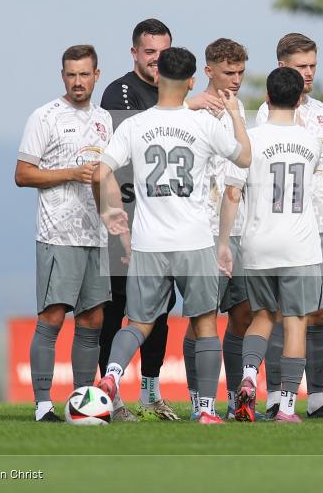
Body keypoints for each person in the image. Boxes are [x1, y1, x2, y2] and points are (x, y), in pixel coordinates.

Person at [94, 47, 251, 425]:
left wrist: (111, 213)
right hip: (194, 239)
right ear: (192, 82)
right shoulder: (202, 123)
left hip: (149, 241)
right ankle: (206, 410)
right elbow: (244, 158)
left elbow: (101, 171)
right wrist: (232, 114)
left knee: (138, 324)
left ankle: (112, 377)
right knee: (205, 325)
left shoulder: (135, 124)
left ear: (159, 77)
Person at [218, 67, 322, 423]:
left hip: (257, 242)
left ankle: (249, 374)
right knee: (295, 323)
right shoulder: (312, 142)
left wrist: (223, 242)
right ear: (298, 100)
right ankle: (288, 408)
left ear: (266, 97)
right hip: (299, 245)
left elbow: (232, 193)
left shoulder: (250, 139)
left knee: (261, 317)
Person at [15, 45, 113, 422]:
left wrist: (115, 221)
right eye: (71, 75)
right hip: (58, 234)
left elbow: (108, 177)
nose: (77, 82)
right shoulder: (46, 116)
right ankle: (42, 405)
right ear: (62, 76)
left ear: (96, 75)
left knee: (92, 321)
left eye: (84, 74)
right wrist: (71, 173)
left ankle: (83, 403)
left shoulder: (105, 119)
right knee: (53, 317)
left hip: (97, 237)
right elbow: (23, 174)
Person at [256, 33, 323, 420]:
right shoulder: (268, 113)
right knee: (285, 313)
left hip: (322, 226)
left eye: (313, 65)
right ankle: (279, 396)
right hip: (286, 228)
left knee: (321, 313)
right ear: (283, 67)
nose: (308, 73)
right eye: (301, 66)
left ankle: (316, 398)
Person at [97, 18, 180, 420]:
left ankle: (151, 391)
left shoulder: (175, 93)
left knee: (159, 311)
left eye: (164, 52)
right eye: (150, 53)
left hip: (164, 222)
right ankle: (110, 397)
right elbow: (130, 156)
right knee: (116, 308)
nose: (157, 60)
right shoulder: (120, 91)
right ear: (134, 53)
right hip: (125, 217)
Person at [183, 38, 254, 420]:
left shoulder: (237, 106)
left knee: (242, 314)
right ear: (208, 71)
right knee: (202, 316)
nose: (236, 79)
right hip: (203, 228)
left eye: (241, 72)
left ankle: (232, 398)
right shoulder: (191, 109)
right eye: (229, 72)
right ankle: (198, 397)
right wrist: (187, 104)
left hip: (238, 224)